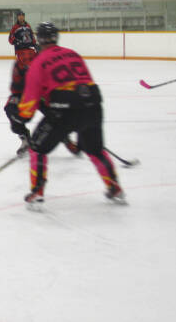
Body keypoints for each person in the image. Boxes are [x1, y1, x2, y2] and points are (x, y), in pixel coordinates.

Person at [17, 22, 125, 208]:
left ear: (39, 40)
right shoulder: (73, 54)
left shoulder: (40, 61)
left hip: (64, 111)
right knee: (95, 150)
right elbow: (85, 80)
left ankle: (37, 192)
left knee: (37, 149)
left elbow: (31, 96)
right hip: (92, 105)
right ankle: (114, 187)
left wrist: (24, 116)